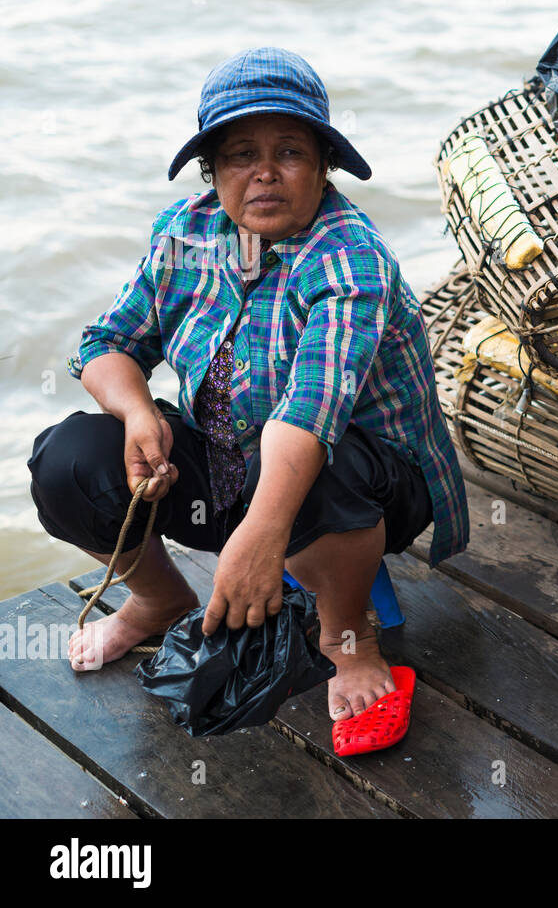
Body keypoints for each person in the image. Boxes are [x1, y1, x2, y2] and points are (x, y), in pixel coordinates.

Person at [28, 47, 468, 727]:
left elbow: (311, 415)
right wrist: (140, 411)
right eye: (239, 155)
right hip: (230, 460)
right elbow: (106, 344)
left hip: (360, 484)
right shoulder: (185, 231)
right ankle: (157, 597)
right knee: (68, 459)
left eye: (289, 151)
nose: (264, 172)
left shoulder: (350, 255)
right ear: (213, 171)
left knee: (313, 463)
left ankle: (346, 636)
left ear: (324, 166)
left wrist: (261, 535)